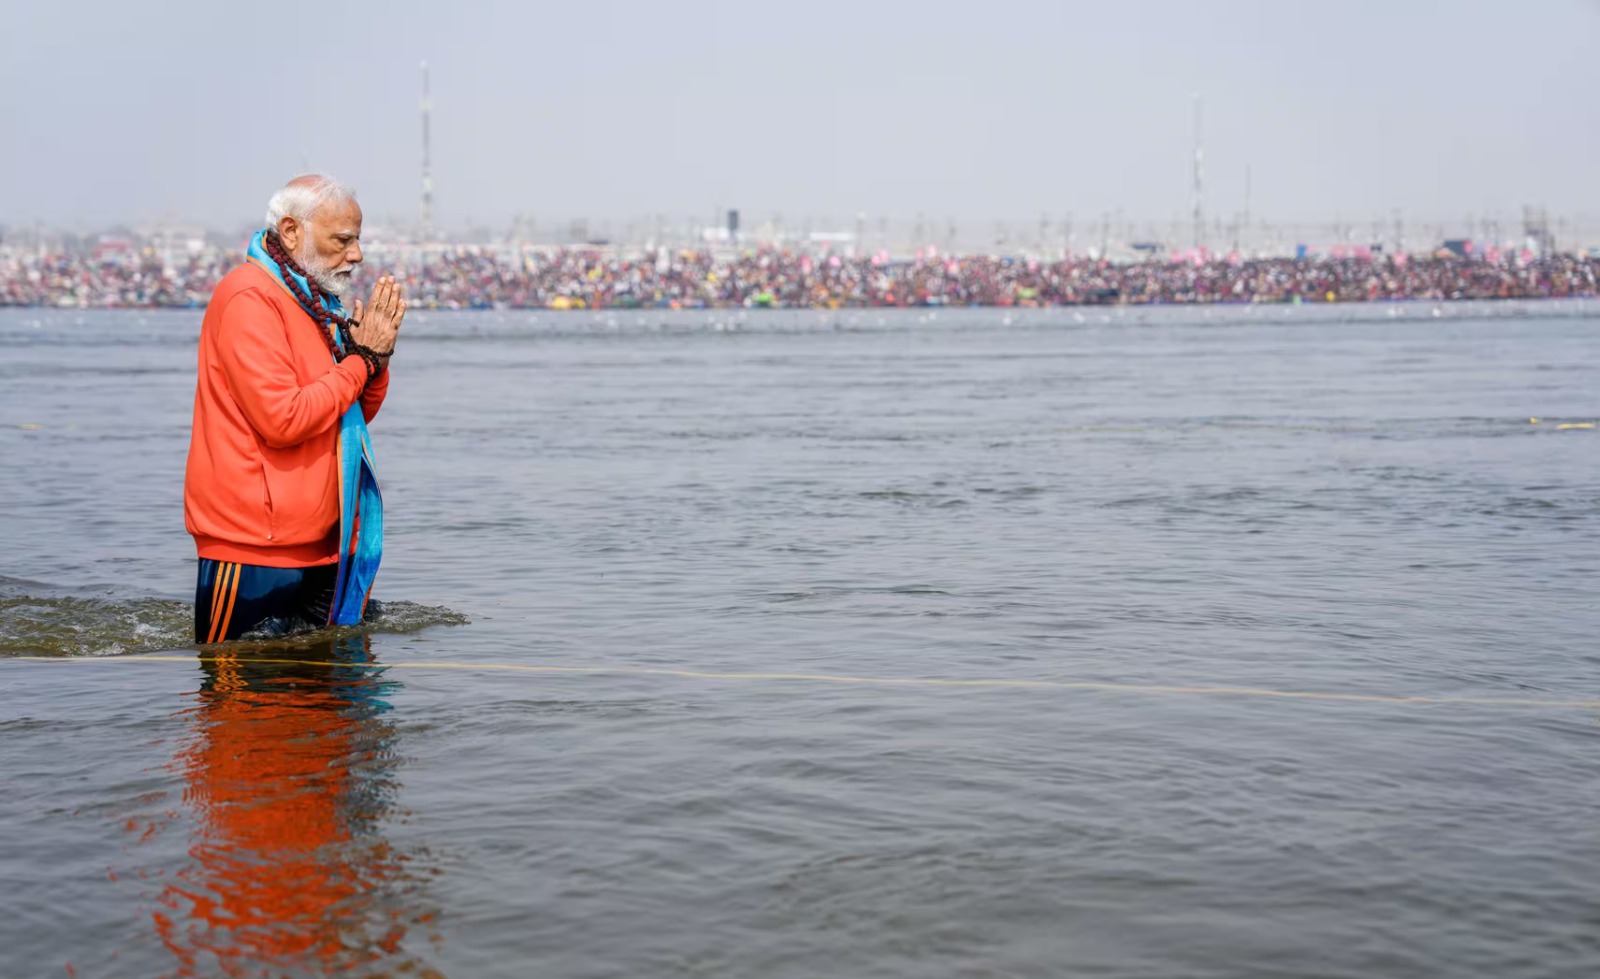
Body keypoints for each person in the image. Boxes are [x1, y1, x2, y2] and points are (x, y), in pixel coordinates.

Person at [184, 175, 405, 642]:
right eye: (343, 240)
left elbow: (346, 412)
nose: (357, 254)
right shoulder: (250, 296)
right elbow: (284, 419)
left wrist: (374, 362)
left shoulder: (312, 301)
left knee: (327, 708)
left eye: (358, 240)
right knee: (243, 703)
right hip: (252, 548)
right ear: (291, 231)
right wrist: (360, 361)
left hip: (327, 543)